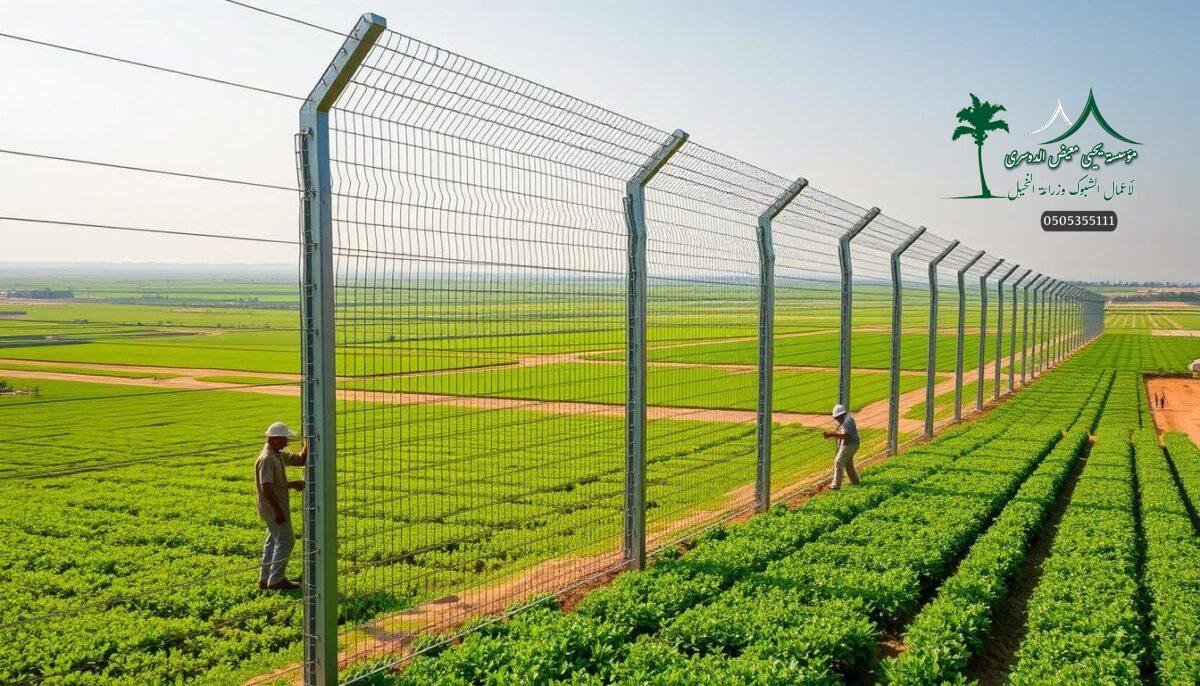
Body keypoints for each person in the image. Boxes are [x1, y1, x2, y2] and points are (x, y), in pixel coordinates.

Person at [256, 421, 307, 590]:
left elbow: (300, 460)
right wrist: (278, 510)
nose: (287, 441)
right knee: (286, 540)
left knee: (272, 542)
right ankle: (276, 579)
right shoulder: (266, 458)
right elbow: (266, 488)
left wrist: (308, 441)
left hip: (276, 506)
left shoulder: (277, 454)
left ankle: (265, 580)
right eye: (284, 438)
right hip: (273, 508)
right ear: (274, 439)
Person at [822, 404, 860, 490]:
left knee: (838, 462)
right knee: (848, 464)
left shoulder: (847, 422)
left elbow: (846, 436)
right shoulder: (846, 418)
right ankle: (855, 481)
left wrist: (831, 434)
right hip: (852, 443)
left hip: (850, 444)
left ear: (842, 415)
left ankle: (836, 486)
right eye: (836, 418)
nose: (837, 419)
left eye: (837, 417)